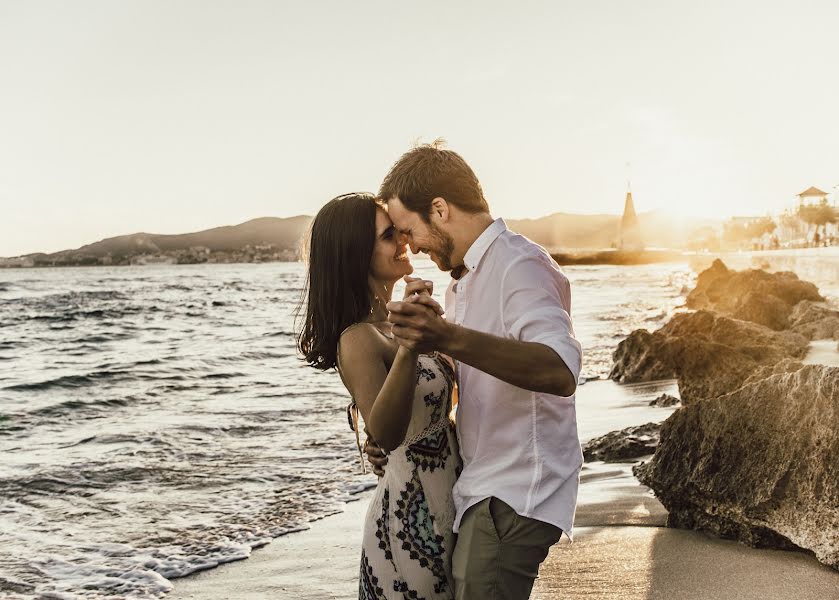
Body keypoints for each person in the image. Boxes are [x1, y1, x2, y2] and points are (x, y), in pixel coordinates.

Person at [367, 143, 583, 600]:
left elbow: (560, 370)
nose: (411, 246)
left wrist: (443, 337)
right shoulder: (462, 284)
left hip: (516, 490)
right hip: (482, 484)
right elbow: (474, 392)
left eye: (409, 230)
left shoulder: (518, 264)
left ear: (440, 209)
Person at [297, 192, 461, 599]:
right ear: (357, 255)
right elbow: (387, 432)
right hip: (411, 514)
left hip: (452, 492)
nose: (403, 240)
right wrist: (409, 344)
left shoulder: (395, 323)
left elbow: (442, 405)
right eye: (389, 235)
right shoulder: (358, 338)